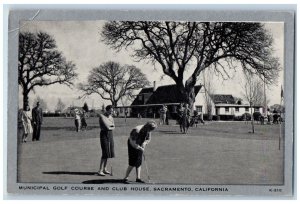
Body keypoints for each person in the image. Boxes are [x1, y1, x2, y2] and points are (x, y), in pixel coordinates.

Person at [97, 105, 115, 176]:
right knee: (105, 152)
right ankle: (100, 170)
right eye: (110, 111)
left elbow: (114, 126)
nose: (111, 112)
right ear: (106, 110)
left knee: (109, 152)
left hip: (110, 135)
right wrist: (111, 126)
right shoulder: (102, 116)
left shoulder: (111, 117)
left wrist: (111, 126)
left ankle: (104, 169)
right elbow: (108, 127)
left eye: (112, 111)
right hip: (104, 134)